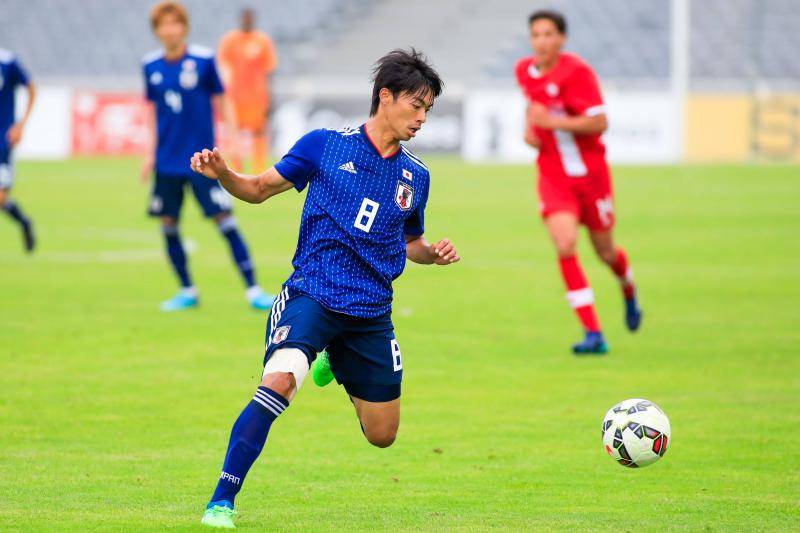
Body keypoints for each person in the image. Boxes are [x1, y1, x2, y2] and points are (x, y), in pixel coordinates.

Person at [191, 49, 459, 529]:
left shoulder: (417, 176)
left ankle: (334, 357)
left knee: (383, 435)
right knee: (280, 379)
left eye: (428, 110)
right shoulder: (325, 146)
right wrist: (225, 173)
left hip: (371, 311)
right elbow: (256, 189)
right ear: (385, 96)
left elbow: (411, 241)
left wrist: (431, 254)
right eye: (415, 105)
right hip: (313, 294)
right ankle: (221, 501)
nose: (422, 118)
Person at [514, 10, 642, 354]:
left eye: (547, 34)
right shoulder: (523, 71)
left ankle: (627, 288)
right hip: (554, 176)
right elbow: (532, 107)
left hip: (592, 176)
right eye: (535, 35)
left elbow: (599, 122)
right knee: (565, 243)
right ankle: (593, 333)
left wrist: (553, 124)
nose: (540, 41)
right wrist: (530, 129)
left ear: (561, 39)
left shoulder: (578, 72)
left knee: (605, 251)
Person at [141, 1, 274, 312]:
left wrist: (233, 140)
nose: (169, 29)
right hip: (166, 162)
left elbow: (222, 99)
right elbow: (150, 109)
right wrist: (149, 152)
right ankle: (187, 290)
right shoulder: (150, 66)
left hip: (202, 161)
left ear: (183, 27)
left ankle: (253, 289)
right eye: (163, 24)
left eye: (174, 23)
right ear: (157, 30)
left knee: (225, 220)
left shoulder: (202, 61)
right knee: (168, 223)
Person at [217, 7, 278, 172]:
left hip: (257, 98)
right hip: (234, 97)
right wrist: (221, 96)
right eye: (245, 18)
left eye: (250, 18)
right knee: (234, 134)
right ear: (240, 19)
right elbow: (222, 69)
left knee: (258, 133)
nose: (247, 21)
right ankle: (236, 170)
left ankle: (258, 170)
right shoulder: (229, 40)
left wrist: (271, 98)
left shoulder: (262, 41)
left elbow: (269, 71)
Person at [0, 48, 36, 252]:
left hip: (2, 140)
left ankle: (24, 222)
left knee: (1, 197)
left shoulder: (7, 61)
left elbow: (31, 88)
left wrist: (21, 125)